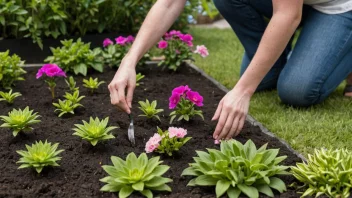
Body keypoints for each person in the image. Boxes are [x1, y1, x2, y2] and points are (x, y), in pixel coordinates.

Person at [108, 0, 352, 141]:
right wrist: (129, 61)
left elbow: (288, 15)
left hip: (335, 7)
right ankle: (282, 51)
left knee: (296, 90)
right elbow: (170, 3)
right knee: (264, 77)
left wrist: (244, 90)